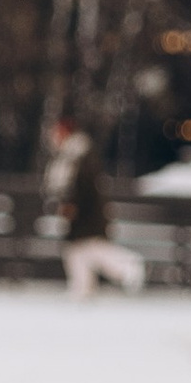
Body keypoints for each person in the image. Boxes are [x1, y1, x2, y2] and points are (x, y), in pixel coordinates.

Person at [48, 119, 142, 300]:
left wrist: (72, 205)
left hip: (88, 214)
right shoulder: (75, 155)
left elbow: (84, 185)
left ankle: (127, 267)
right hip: (87, 213)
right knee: (79, 250)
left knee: (90, 249)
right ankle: (84, 288)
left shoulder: (78, 156)